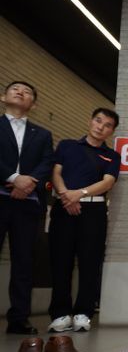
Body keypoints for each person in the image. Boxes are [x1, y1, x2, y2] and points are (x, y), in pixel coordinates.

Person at [47, 108, 121, 333]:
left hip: (94, 211)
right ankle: (60, 314)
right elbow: (56, 173)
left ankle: (83, 313)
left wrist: (78, 194)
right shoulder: (67, 146)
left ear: (111, 131)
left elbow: (108, 182)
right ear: (91, 121)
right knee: (61, 261)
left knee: (90, 262)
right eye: (98, 121)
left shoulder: (112, 156)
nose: (101, 127)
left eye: (107, 125)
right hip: (63, 208)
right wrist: (66, 196)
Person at [0, 81, 54, 335]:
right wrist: (13, 178)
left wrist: (28, 182)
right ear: (3, 97)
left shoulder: (42, 134)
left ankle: (19, 318)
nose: (21, 93)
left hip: (28, 204)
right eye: (15, 89)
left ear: (33, 104)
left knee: (24, 261)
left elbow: (47, 162)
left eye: (27, 92)